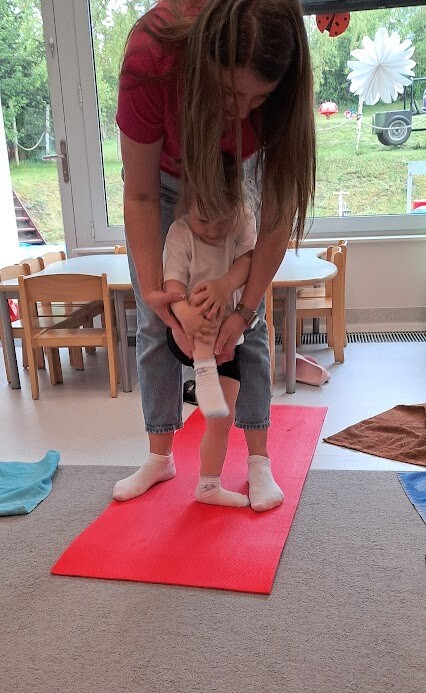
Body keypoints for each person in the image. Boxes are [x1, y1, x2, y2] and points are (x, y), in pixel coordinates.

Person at [113, 0, 316, 513]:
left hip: (233, 176)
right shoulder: (153, 57)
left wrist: (241, 310)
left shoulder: (281, 93)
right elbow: (140, 195)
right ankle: (159, 455)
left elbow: (275, 218)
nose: (243, 111)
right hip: (162, 180)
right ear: (203, 59)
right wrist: (169, 304)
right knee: (154, 323)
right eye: (230, 93)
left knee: (252, 322)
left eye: (259, 97)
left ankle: (258, 459)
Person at [163, 156, 256, 506]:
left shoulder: (243, 219)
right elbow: (172, 286)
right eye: (203, 220)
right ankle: (202, 374)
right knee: (202, 303)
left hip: (226, 342)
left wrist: (226, 284)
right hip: (186, 334)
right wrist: (186, 315)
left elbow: (247, 261)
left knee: (222, 418)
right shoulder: (180, 232)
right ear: (187, 205)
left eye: (222, 220)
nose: (213, 230)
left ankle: (208, 486)